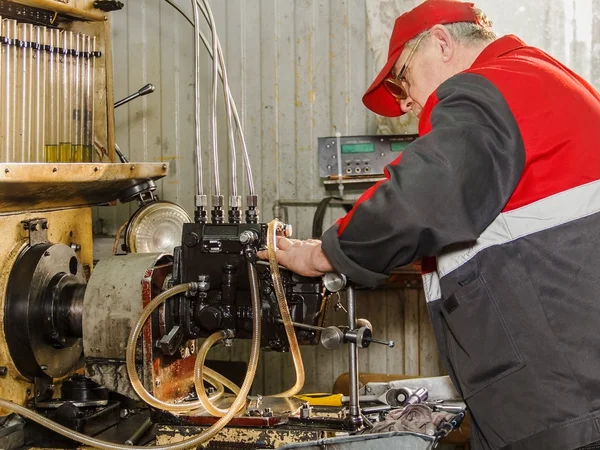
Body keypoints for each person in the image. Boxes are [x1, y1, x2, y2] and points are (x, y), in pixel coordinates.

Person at [258, 0, 600, 448]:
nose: (404, 104)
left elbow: (420, 200)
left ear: (440, 42)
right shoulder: (540, 79)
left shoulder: (488, 89)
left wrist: (322, 254)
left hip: (563, 402)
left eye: (402, 79)